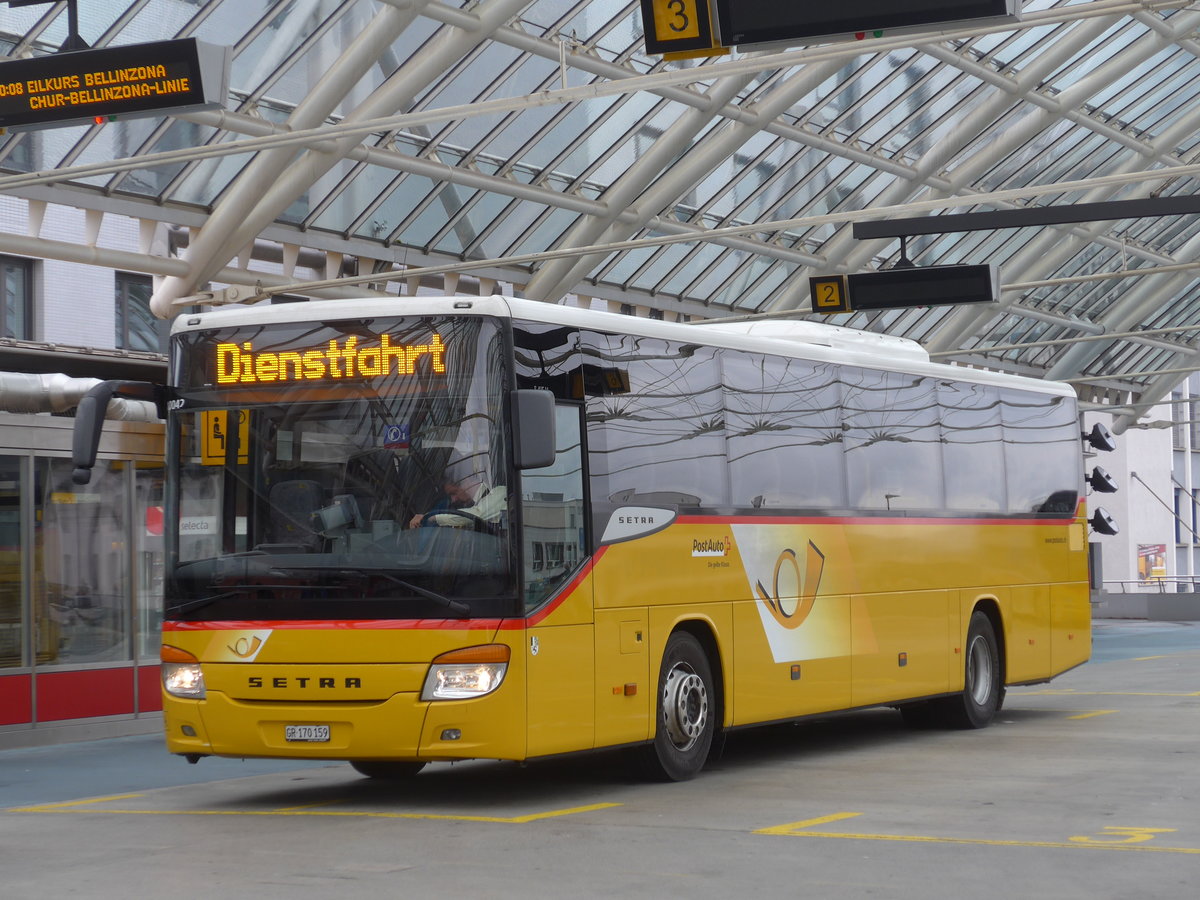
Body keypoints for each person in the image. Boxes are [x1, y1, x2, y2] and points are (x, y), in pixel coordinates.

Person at [408, 474, 506, 529]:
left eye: (455, 493)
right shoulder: (481, 501)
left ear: (468, 481)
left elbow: (476, 514)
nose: (454, 498)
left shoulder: (501, 492)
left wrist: (431, 517)